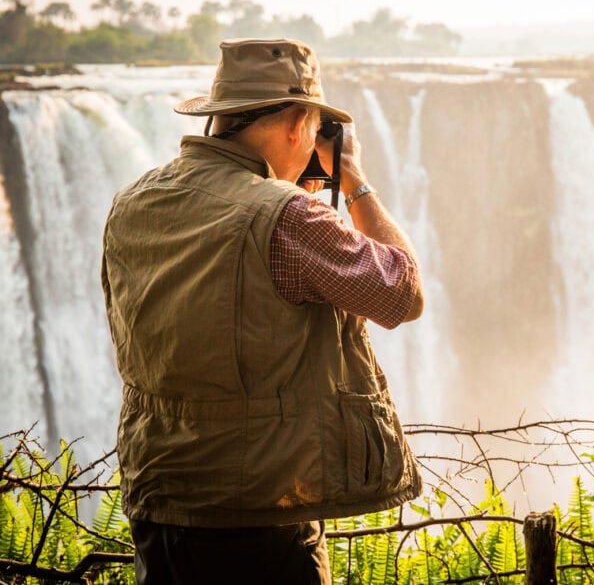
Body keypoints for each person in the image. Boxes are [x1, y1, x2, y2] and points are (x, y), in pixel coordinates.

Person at [100, 38, 424, 584]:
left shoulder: (134, 200)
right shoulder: (287, 217)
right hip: (261, 516)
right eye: (316, 127)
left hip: (161, 503)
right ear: (299, 122)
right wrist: (353, 180)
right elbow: (401, 293)